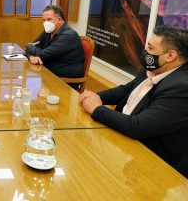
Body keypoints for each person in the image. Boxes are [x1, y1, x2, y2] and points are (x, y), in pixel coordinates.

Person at [80, 26, 188, 178]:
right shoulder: (154, 67)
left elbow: (138, 126)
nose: (145, 52)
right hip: (121, 135)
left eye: (150, 48)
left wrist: (97, 109)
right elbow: (127, 90)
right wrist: (96, 97)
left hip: (152, 164)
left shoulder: (181, 88)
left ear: (170, 56)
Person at [25, 5, 84, 80]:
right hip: (47, 72)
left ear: (59, 19)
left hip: (64, 79)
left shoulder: (68, 35)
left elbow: (42, 54)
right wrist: (31, 57)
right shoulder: (48, 31)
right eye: (44, 20)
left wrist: (28, 46)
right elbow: (29, 51)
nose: (46, 23)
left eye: (49, 19)